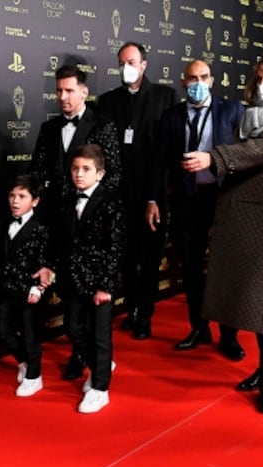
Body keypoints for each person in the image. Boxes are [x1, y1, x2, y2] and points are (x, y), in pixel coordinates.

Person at [184, 52, 263, 413]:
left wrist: (214, 158)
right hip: (242, 219)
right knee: (243, 294)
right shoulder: (252, 115)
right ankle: (257, 366)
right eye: (260, 78)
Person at [147, 59, 246, 360]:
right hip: (188, 200)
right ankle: (199, 328)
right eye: (192, 78)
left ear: (213, 80)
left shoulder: (232, 111)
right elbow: (160, 160)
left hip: (224, 199)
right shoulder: (172, 116)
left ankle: (229, 336)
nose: (198, 82)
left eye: (203, 77)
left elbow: (244, 155)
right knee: (190, 268)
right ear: (183, 82)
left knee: (226, 269)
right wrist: (152, 199)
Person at [27, 63, 122, 380]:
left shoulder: (104, 125)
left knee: (91, 302)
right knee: (69, 296)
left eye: (69, 90)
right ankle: (81, 352)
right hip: (58, 221)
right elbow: (37, 174)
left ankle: (91, 360)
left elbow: (113, 175)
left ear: (84, 91)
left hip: (91, 222)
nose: (63, 97)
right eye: (58, 91)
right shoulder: (48, 129)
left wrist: (92, 209)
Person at [96, 42, 178, 340]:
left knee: (152, 257)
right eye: (121, 63)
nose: (126, 67)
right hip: (119, 196)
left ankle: (145, 313)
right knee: (126, 259)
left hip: (153, 194)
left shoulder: (165, 97)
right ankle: (132, 310)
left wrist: (157, 194)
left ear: (144, 64)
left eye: (131, 61)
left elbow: (170, 149)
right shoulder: (107, 102)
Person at [54, 144, 125, 413]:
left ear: (100, 173)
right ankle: (100, 366)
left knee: (100, 336)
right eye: (75, 169)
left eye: (86, 169)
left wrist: (106, 285)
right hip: (73, 279)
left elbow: (116, 247)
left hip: (99, 282)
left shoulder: (111, 202)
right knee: (73, 328)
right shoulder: (68, 200)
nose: (79, 174)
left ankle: (100, 388)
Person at [0, 175, 49, 397]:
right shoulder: (4, 223)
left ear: (35, 201)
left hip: (28, 291)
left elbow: (45, 262)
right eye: (12, 195)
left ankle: (35, 376)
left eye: (22, 196)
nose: (15, 200)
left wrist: (38, 288)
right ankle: (24, 361)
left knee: (30, 333)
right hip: (4, 286)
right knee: (1, 328)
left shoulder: (40, 228)